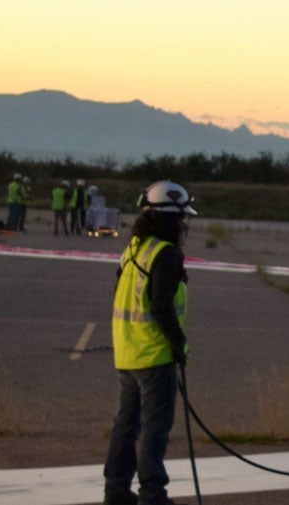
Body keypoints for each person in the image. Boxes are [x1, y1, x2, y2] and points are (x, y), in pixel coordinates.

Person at [105, 181, 196, 505]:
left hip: (127, 354)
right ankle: (153, 496)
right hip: (154, 357)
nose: (185, 224)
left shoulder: (133, 249)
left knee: (126, 426)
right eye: (182, 218)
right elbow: (160, 307)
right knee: (155, 432)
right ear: (172, 219)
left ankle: (115, 493)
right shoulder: (165, 253)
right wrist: (179, 344)